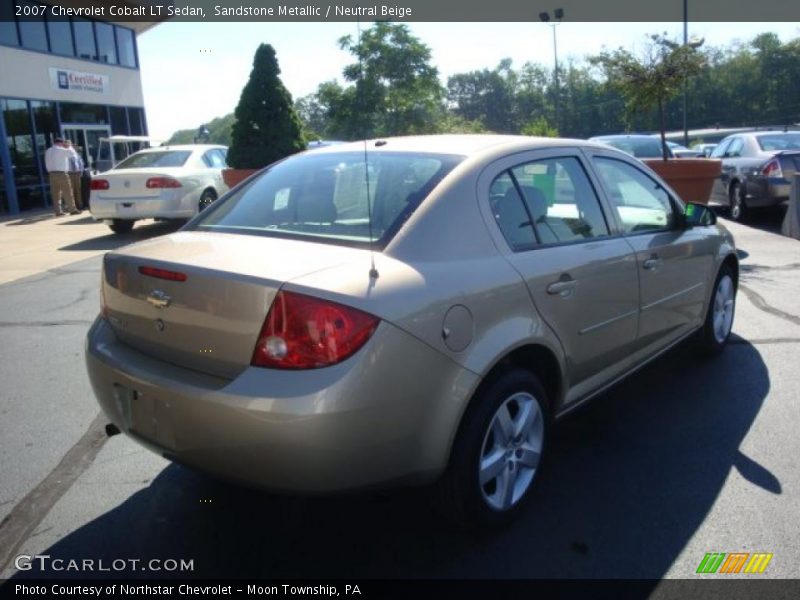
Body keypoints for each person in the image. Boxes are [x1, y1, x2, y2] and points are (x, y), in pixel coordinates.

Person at [44, 138, 79, 216]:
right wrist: (69, 146)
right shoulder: (61, 150)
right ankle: (72, 209)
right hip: (61, 173)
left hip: (51, 174)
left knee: (55, 194)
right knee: (68, 192)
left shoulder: (48, 151)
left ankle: (58, 211)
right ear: (61, 143)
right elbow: (73, 154)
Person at [66, 140, 85, 211]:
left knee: (78, 190)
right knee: (71, 190)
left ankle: (80, 205)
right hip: (69, 174)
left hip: (77, 173)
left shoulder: (76, 154)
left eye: (70, 145)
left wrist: (81, 171)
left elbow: (81, 163)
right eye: (68, 145)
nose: (70, 146)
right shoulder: (65, 154)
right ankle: (73, 206)